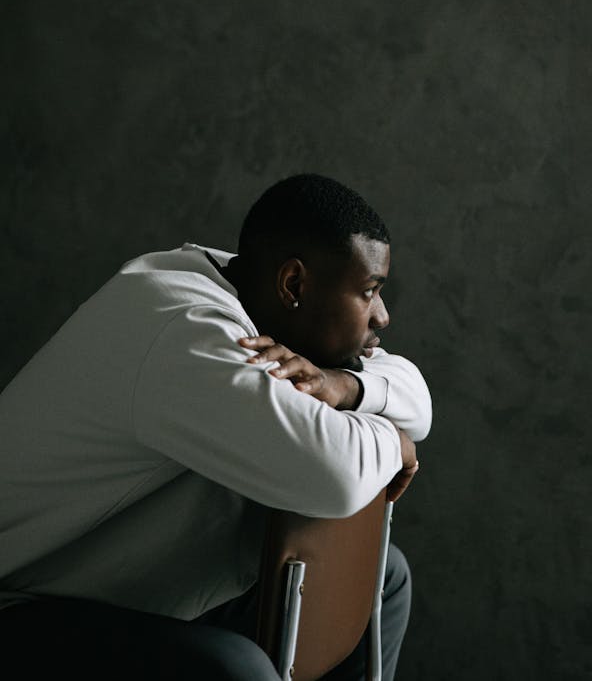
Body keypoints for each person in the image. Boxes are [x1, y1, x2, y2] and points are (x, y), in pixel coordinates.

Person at [0, 172, 432, 680]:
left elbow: (416, 396)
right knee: (233, 669)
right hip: (22, 603)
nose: (381, 316)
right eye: (368, 291)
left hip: (130, 592)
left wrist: (346, 387)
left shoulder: (257, 299)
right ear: (294, 284)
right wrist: (394, 441)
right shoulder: (184, 326)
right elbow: (335, 477)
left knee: (382, 577)